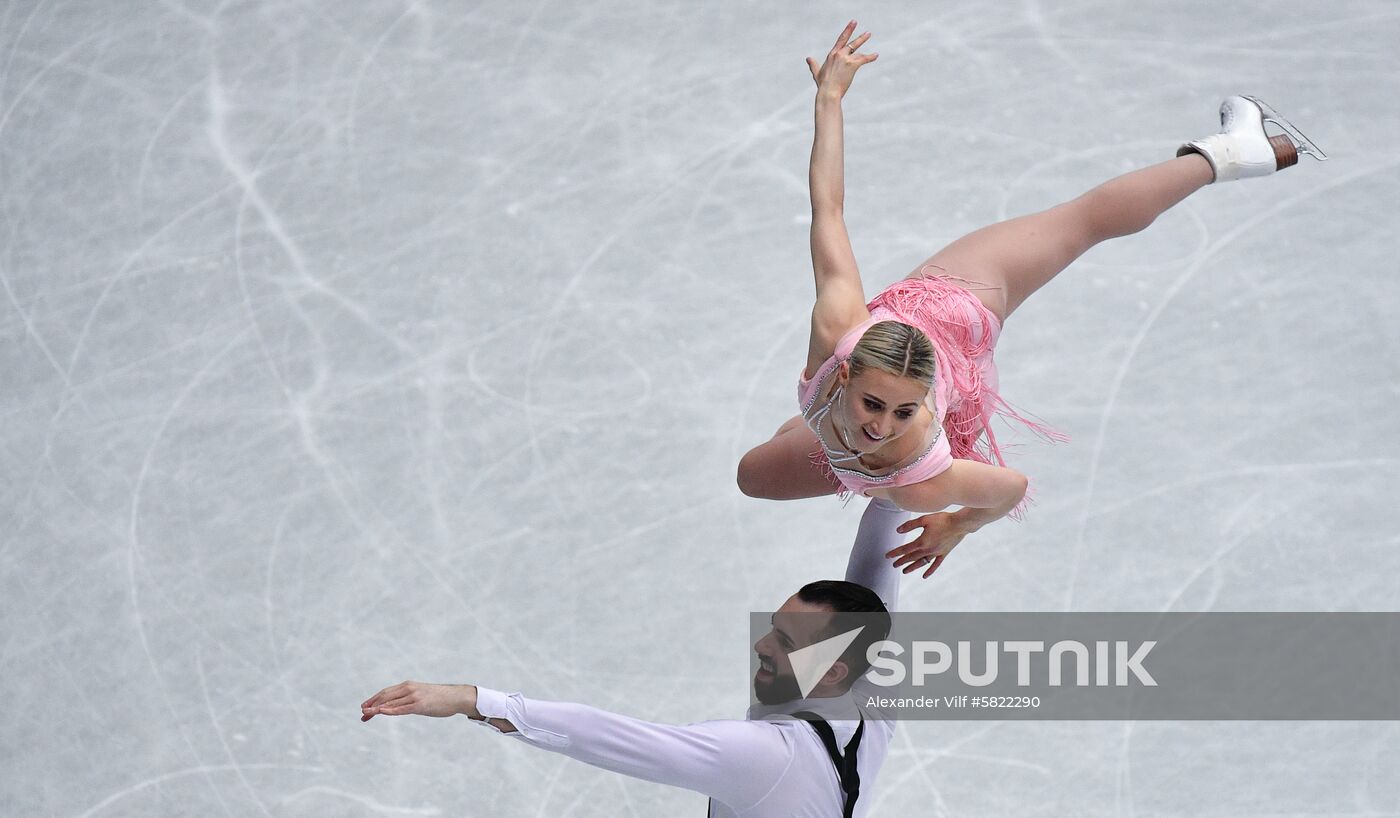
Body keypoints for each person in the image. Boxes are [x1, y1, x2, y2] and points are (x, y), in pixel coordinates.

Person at [736, 21, 1327, 578]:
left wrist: (957, 525)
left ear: (921, 406)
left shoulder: (921, 472)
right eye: (872, 404)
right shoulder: (839, 322)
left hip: (959, 309)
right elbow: (828, 209)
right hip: (916, 339)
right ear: (842, 372)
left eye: (901, 411)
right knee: (752, 477)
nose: (883, 426)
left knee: (1081, 222)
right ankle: (1235, 151)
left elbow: (1010, 489)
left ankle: (1233, 153)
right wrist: (830, 100)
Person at [361, 499, 910, 818]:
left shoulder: (765, 756)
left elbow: (614, 738)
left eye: (786, 644)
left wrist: (472, 700)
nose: (762, 646)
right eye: (774, 628)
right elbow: (877, 574)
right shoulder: (870, 676)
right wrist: (901, 476)